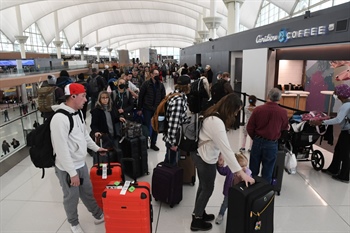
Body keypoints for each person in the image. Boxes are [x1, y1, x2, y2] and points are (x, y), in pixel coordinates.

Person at [190, 93, 255, 231]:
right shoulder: (216, 122)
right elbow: (228, 150)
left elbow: (218, 142)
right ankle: (196, 220)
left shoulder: (214, 113)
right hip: (205, 158)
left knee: (203, 186)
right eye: (236, 111)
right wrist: (242, 174)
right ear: (231, 108)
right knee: (207, 188)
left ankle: (199, 212)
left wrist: (219, 154)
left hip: (204, 154)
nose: (236, 115)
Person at [50, 83, 108, 233]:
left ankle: (97, 214)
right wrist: (72, 173)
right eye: (83, 96)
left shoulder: (79, 113)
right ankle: (73, 223)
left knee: (87, 190)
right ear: (73, 96)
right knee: (71, 197)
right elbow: (61, 150)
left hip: (80, 163)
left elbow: (84, 136)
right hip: (66, 168)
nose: (86, 99)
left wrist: (96, 148)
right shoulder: (59, 119)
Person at [247, 88, 289, 183]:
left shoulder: (258, 110)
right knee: (268, 172)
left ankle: (251, 192)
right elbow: (285, 127)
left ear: (268, 96)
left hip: (257, 141)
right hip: (272, 143)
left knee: (253, 170)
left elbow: (249, 127)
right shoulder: (283, 112)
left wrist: (256, 138)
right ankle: (264, 193)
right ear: (279, 99)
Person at [311, 84, 350, 183]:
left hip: (348, 132)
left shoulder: (346, 105)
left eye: (336, 92)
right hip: (346, 130)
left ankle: (344, 176)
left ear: (341, 94)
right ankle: (333, 169)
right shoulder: (347, 104)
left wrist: (322, 122)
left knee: (345, 154)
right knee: (338, 150)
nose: (334, 94)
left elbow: (338, 119)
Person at [215, 152, 252, 225]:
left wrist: (244, 173)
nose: (244, 167)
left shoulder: (246, 171)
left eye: (245, 165)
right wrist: (220, 164)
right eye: (242, 166)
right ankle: (221, 214)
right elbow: (222, 171)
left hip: (239, 193)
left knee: (238, 205)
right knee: (225, 204)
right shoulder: (230, 169)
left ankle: (236, 216)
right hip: (229, 192)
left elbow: (249, 175)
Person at [163, 75, 191, 165]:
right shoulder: (178, 100)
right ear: (186, 86)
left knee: (170, 161)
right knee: (171, 165)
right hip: (173, 139)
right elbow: (173, 123)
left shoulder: (175, 95)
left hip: (174, 137)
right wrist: (173, 143)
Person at [137, 68, 166, 151]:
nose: (157, 75)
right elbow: (141, 96)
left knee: (156, 126)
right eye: (155, 74)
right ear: (151, 74)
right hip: (147, 108)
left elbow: (163, 97)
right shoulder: (146, 84)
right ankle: (145, 143)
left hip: (157, 109)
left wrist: (162, 108)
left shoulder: (160, 85)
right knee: (146, 126)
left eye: (158, 74)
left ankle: (153, 143)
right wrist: (139, 108)